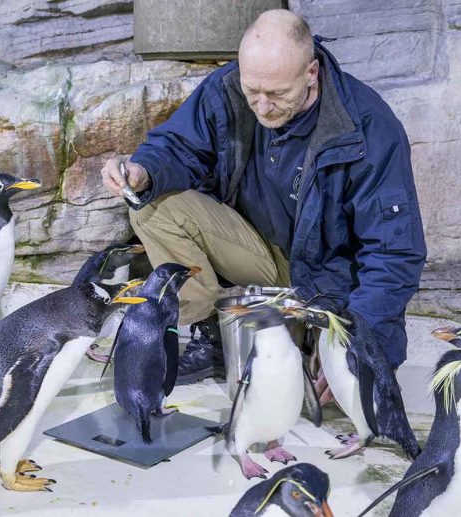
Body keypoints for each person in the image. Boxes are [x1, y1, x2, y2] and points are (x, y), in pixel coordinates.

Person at [101, 9, 426, 384]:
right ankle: (216, 333)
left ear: (311, 72)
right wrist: (142, 172)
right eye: (252, 90)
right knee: (151, 206)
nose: (263, 106)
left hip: (330, 283)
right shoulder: (227, 88)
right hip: (260, 255)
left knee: (340, 389)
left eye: (278, 94)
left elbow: (394, 253)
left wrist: (361, 346)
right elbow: (176, 145)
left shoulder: (368, 128)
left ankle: (307, 338)